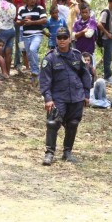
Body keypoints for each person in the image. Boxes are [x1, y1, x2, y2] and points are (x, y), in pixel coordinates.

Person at [39, 27, 91, 166]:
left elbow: (85, 74)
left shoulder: (76, 55)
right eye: (59, 38)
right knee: (53, 123)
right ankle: (49, 153)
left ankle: (67, 152)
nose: (62, 40)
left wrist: (86, 94)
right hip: (58, 97)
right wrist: (48, 99)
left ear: (69, 39)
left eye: (64, 38)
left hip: (76, 96)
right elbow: (44, 81)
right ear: (56, 40)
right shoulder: (50, 58)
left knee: (73, 123)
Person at [16, 0, 47, 81]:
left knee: (32, 49)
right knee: (29, 54)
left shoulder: (40, 8)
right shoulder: (22, 9)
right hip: (25, 35)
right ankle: (35, 74)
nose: (33, 0)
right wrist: (23, 21)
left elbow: (44, 20)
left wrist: (32, 22)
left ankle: (36, 71)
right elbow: (18, 21)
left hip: (37, 34)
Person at [12, 0, 26, 70]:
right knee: (11, 42)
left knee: (20, 42)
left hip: (23, 22)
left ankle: (19, 62)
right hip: (13, 21)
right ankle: (13, 62)